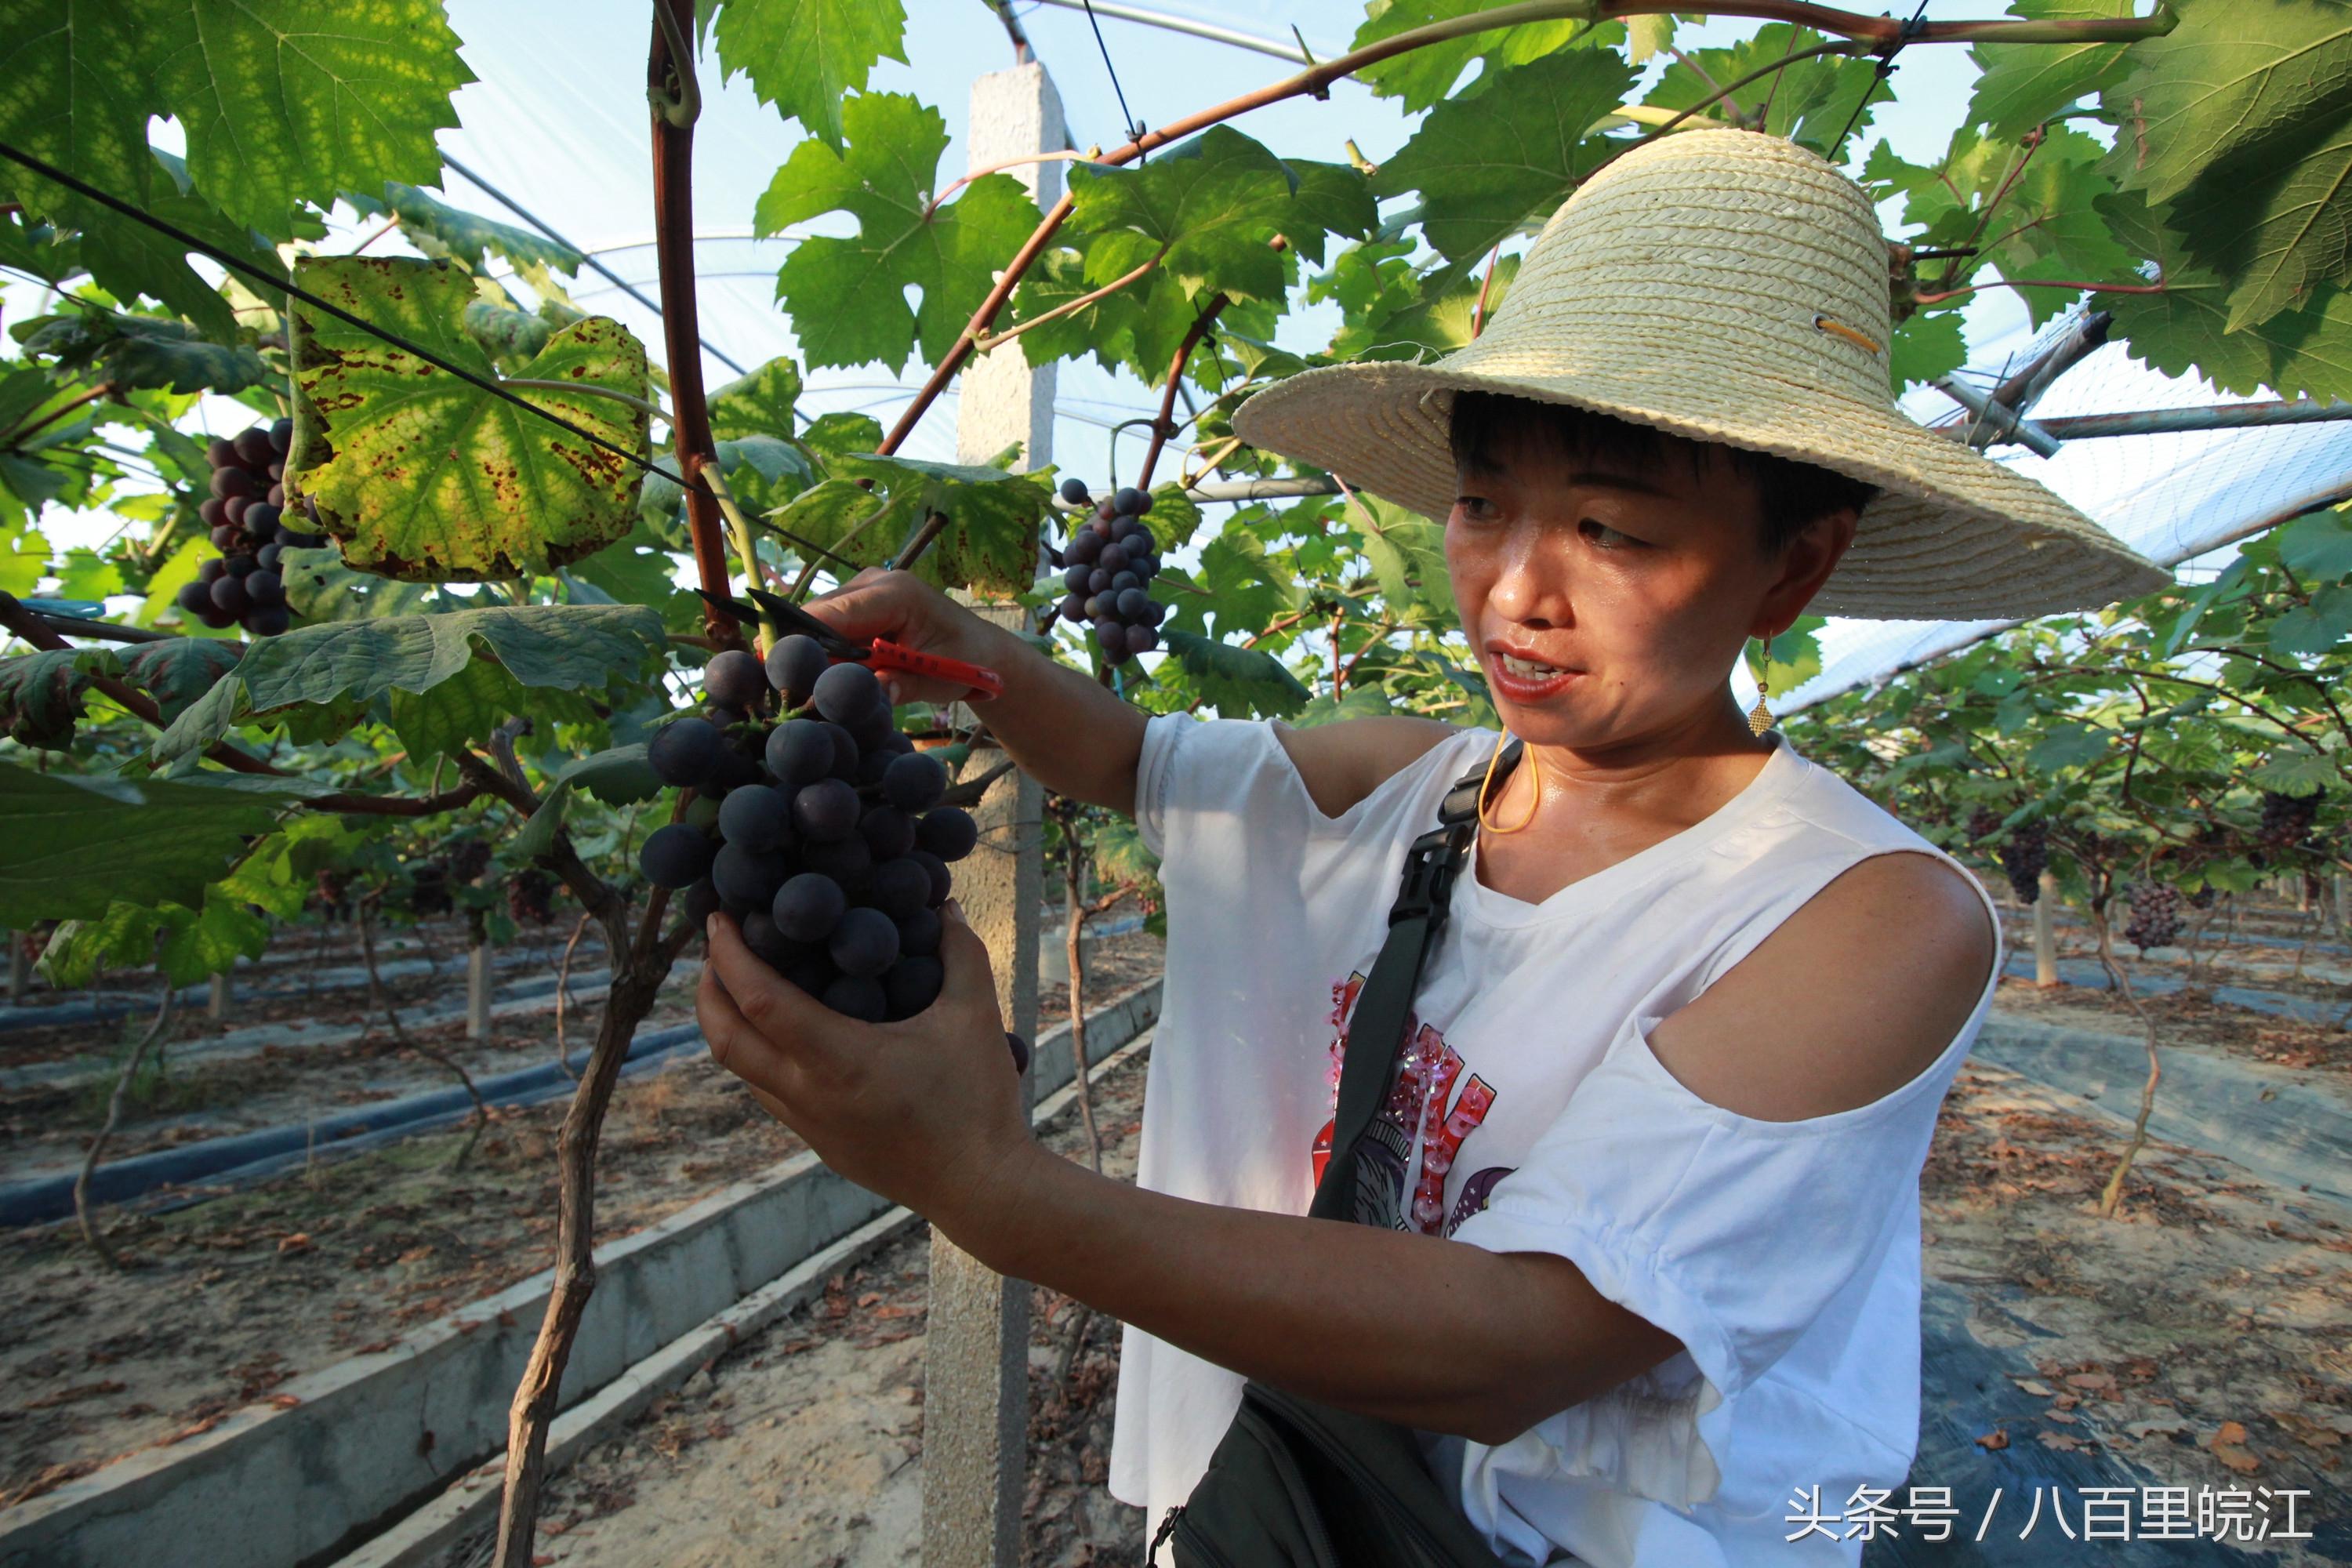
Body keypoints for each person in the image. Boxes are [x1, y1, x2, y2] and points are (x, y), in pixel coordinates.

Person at [694, 130, 2168, 1565]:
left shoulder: (1869, 916)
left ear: (1795, 565)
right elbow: (1138, 759)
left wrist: (991, 1187)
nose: (1517, 590)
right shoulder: (1418, 784)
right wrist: (965, 649)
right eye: (1481, 507)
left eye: (1613, 531)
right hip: (1269, 1490)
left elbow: (1532, 1335)